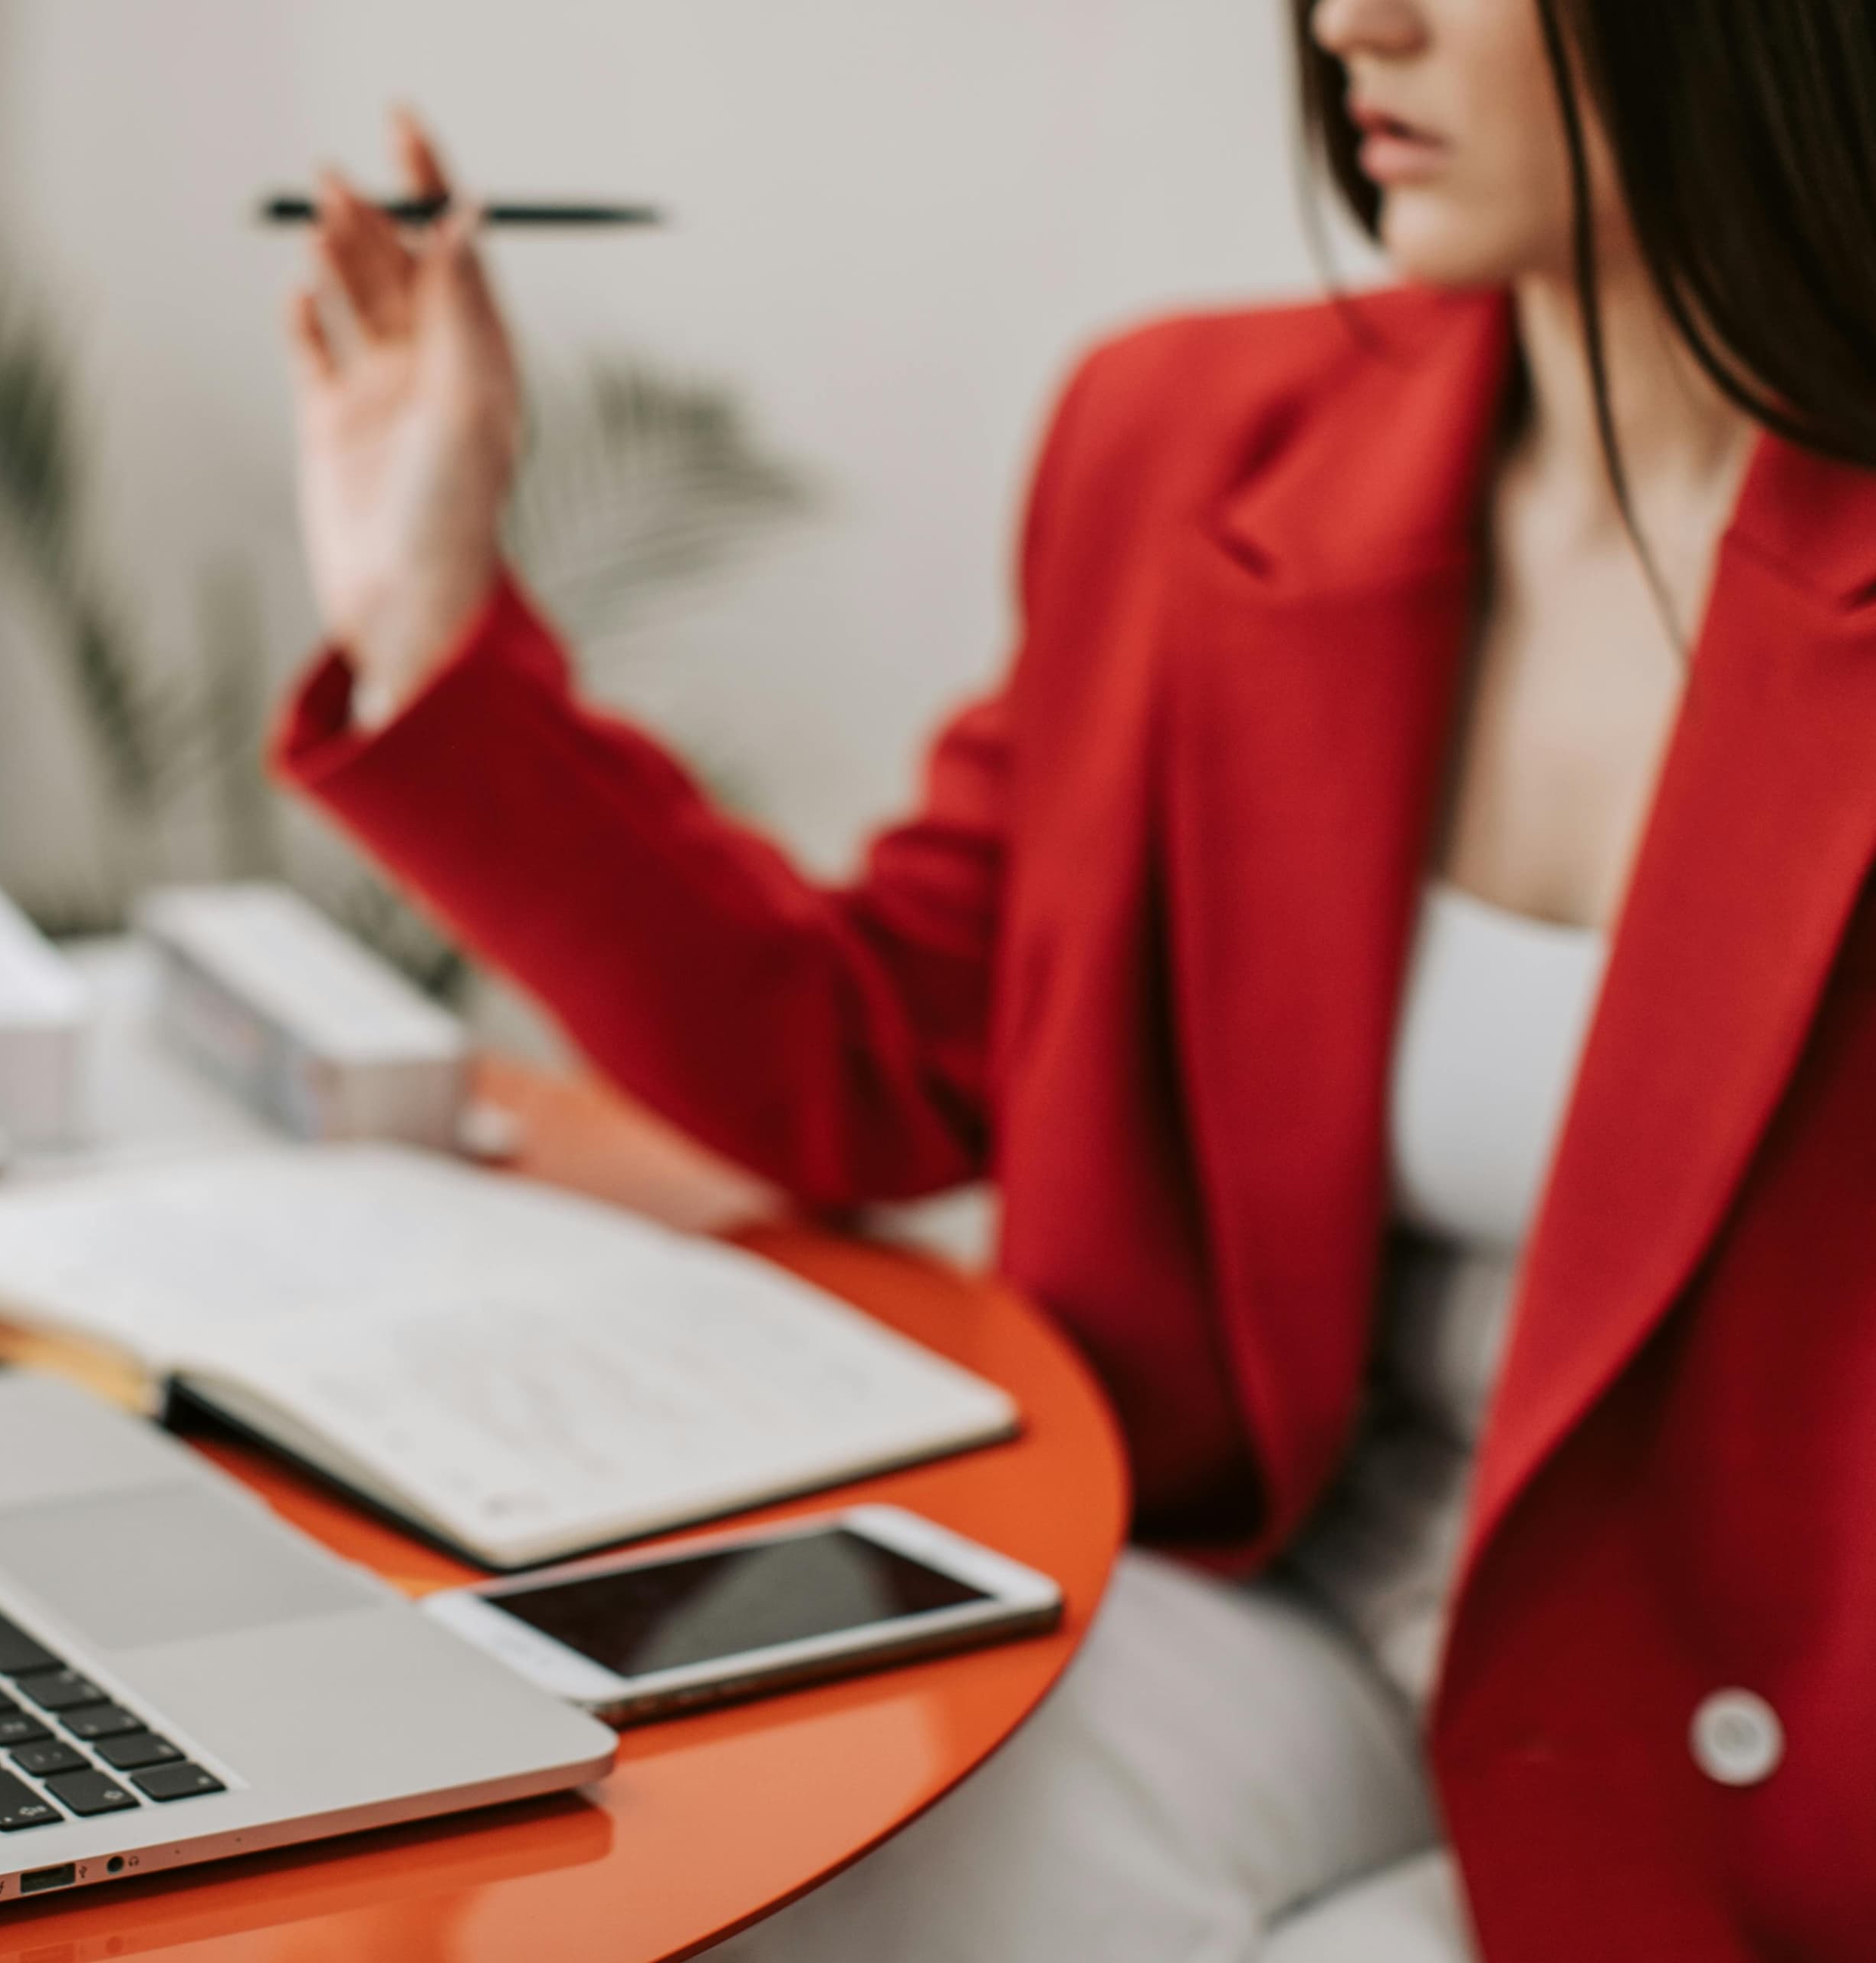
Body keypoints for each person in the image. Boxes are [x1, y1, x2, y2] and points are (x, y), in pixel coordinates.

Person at [275, 1, 1876, 1957]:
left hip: (1769, 1760)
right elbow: (863, 1050)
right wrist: (426, 606)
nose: (1349, 22)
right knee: (648, 1890)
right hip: (1259, 1596)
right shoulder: (1187, 445)